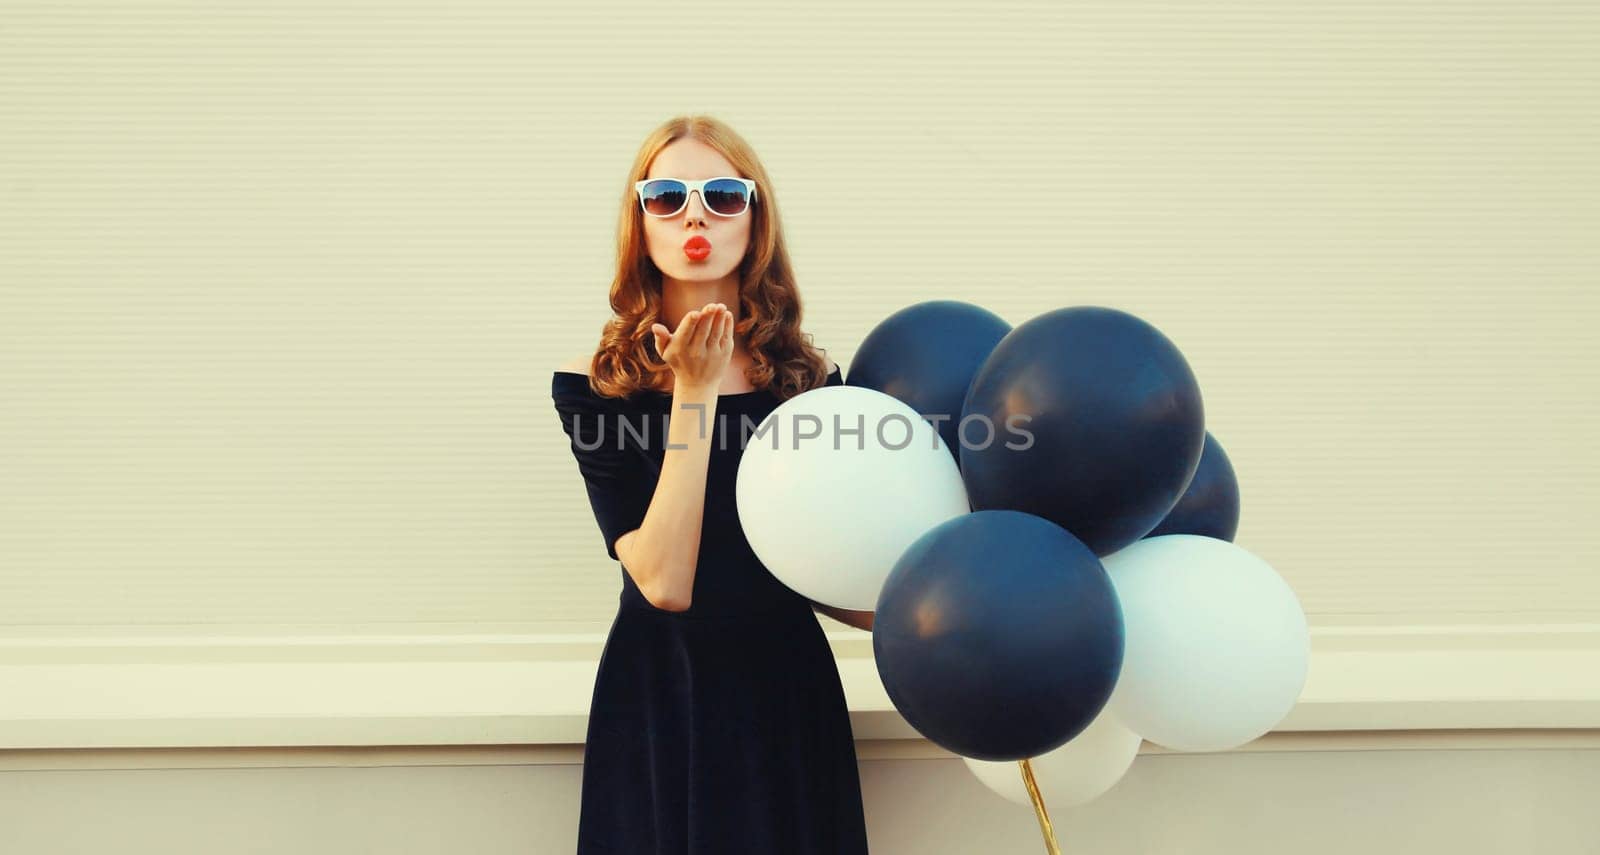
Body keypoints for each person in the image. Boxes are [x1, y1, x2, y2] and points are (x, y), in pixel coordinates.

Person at [551, 115, 873, 854]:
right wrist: (693, 394)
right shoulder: (597, 388)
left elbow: (820, 573)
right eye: (666, 195)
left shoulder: (811, 383)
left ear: (755, 223)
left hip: (785, 696)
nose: (695, 212)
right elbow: (664, 581)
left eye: (724, 194)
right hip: (666, 697)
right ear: (641, 224)